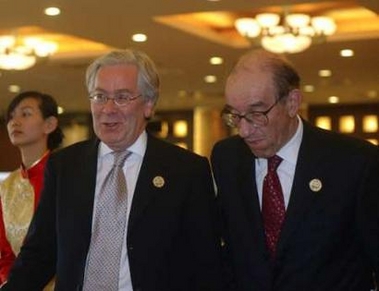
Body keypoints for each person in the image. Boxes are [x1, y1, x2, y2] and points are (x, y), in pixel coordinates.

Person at [1, 49, 223, 291]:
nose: (108, 109)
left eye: (122, 97)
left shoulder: (186, 171)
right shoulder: (65, 166)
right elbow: (40, 252)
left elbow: (206, 267)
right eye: (99, 96)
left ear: (148, 105)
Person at [211, 49, 379, 291]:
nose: (244, 130)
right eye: (235, 116)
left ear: (292, 103)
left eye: (257, 114)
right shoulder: (227, 158)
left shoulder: (355, 162)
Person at [0, 91, 64, 290]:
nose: (15, 122)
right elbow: (5, 253)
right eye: (11, 116)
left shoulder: (66, 176)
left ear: (49, 124)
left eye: (25, 114)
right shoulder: (6, 186)